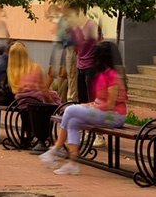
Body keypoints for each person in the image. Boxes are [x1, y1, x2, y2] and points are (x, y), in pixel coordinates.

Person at [38, 41, 127, 176]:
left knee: (70, 110)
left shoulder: (113, 76)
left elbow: (110, 104)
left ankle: (56, 149)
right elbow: (99, 100)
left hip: (114, 116)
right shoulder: (102, 75)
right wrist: (87, 105)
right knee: (73, 121)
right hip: (104, 113)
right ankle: (72, 164)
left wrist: (92, 106)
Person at [8, 41, 60, 153]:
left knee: (28, 110)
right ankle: (62, 113)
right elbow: (43, 89)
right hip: (37, 101)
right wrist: (52, 101)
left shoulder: (12, 71)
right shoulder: (35, 67)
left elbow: (14, 89)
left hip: (22, 102)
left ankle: (28, 135)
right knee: (53, 96)